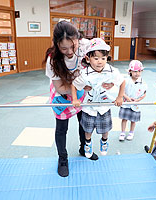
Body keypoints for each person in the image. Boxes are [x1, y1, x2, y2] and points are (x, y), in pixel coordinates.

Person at [45, 21, 113, 177]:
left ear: (78, 39)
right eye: (64, 48)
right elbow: (60, 88)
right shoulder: (52, 60)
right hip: (62, 94)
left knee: (84, 122)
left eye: (72, 46)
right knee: (62, 128)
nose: (69, 51)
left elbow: (102, 58)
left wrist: (106, 78)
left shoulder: (86, 45)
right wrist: (78, 87)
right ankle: (62, 159)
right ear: (56, 45)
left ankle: (84, 148)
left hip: (82, 91)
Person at [71, 38, 125, 159]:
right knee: (88, 129)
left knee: (105, 128)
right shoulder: (85, 74)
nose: (100, 62)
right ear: (88, 59)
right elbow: (74, 85)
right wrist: (75, 99)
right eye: (96, 58)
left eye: (103, 58)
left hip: (104, 107)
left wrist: (120, 97)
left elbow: (122, 82)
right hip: (89, 107)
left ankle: (104, 141)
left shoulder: (112, 71)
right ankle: (88, 144)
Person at [119, 60, 147, 141]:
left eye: (139, 71)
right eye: (135, 71)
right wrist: (127, 98)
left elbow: (144, 94)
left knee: (133, 120)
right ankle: (123, 132)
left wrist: (138, 100)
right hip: (125, 103)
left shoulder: (142, 82)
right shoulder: (126, 80)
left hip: (135, 104)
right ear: (130, 71)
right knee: (124, 119)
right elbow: (121, 91)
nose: (137, 73)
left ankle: (131, 132)